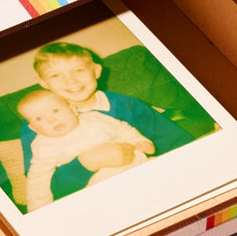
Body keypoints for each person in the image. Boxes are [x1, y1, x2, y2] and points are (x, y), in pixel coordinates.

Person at [20, 41, 195, 202]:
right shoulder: (38, 125)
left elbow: (177, 142)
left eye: (79, 70)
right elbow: (43, 186)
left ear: (96, 71)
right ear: (43, 82)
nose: (71, 80)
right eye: (55, 75)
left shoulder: (127, 105)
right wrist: (86, 163)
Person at [18, 89, 155, 211]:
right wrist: (39, 210)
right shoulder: (43, 147)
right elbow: (37, 180)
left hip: (136, 164)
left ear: (73, 109)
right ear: (34, 128)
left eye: (55, 111)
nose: (51, 119)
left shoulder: (95, 117)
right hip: (99, 188)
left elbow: (121, 128)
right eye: (39, 118)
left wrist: (139, 140)